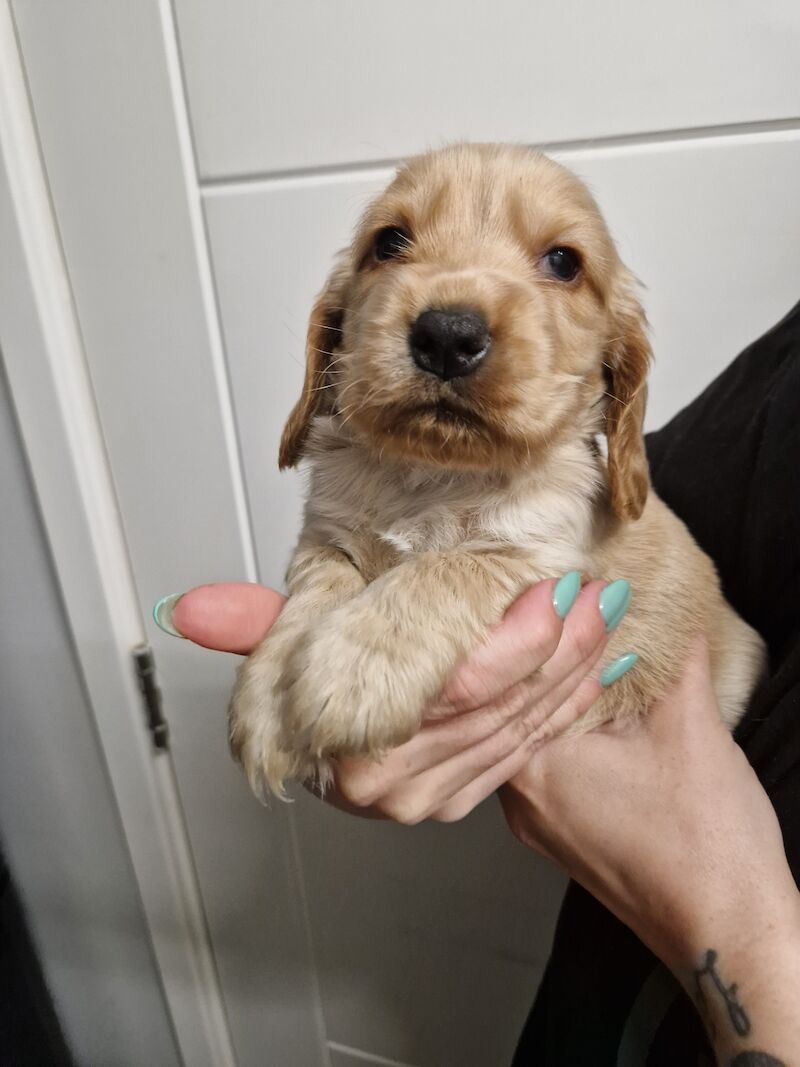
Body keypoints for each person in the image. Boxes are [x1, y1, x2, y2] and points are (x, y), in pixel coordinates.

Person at [154, 301, 800, 1064]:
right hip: (597, 984)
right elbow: (623, 492)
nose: (452, 316)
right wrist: (337, 583)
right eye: (395, 242)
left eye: (558, 261)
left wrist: (735, 930)